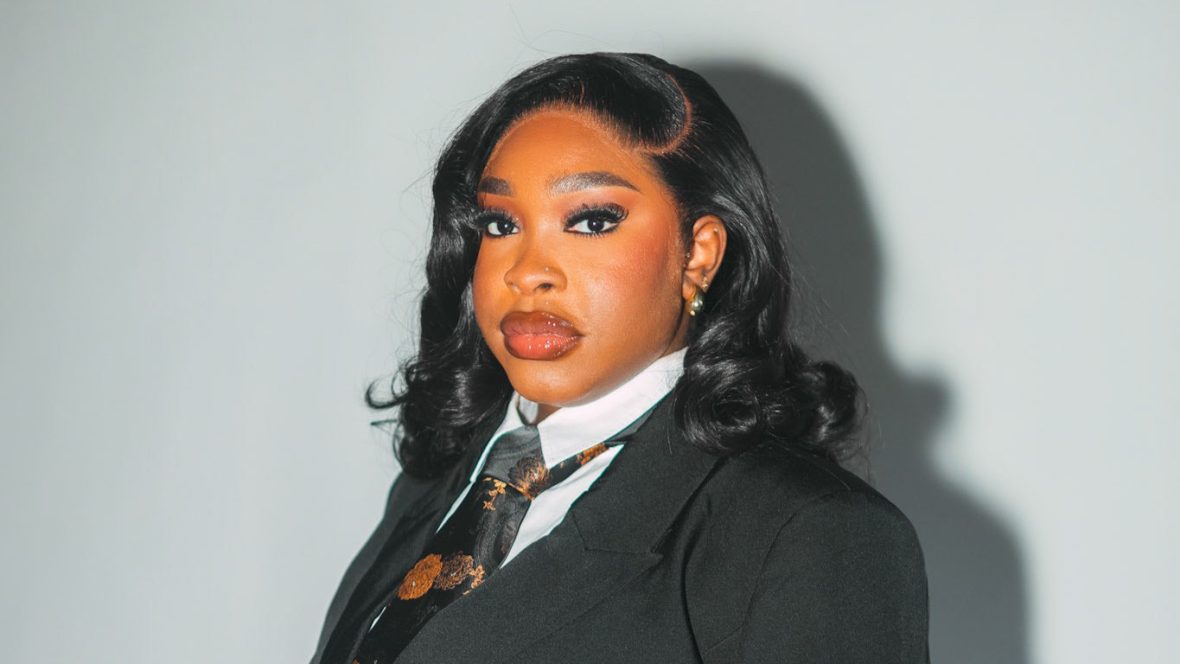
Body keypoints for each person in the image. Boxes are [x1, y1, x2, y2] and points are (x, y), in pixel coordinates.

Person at [311, 52, 929, 664]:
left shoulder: (813, 533)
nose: (528, 272)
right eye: (500, 224)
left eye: (591, 221)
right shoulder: (439, 485)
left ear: (698, 254)